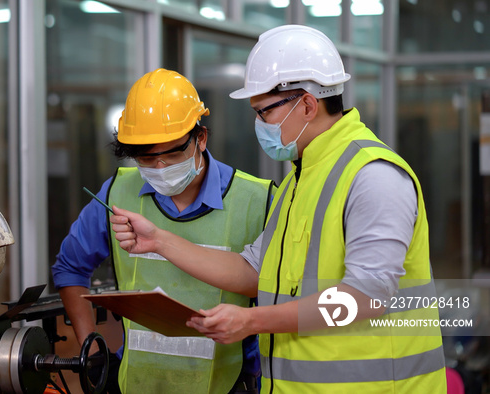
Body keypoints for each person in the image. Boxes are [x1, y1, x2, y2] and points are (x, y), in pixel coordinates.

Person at [110, 25, 447, 393]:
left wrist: (251, 320)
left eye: (264, 112)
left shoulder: (372, 176)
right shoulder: (299, 180)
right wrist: (158, 241)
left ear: (305, 104)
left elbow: (365, 298)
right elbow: (253, 270)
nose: (259, 125)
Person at [51, 68, 274, 394]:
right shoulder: (117, 193)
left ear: (201, 138)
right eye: (146, 157)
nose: (160, 168)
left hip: (229, 384)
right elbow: (70, 267)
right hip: (137, 384)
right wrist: (91, 346)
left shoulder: (259, 200)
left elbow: (284, 292)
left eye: (172, 153)